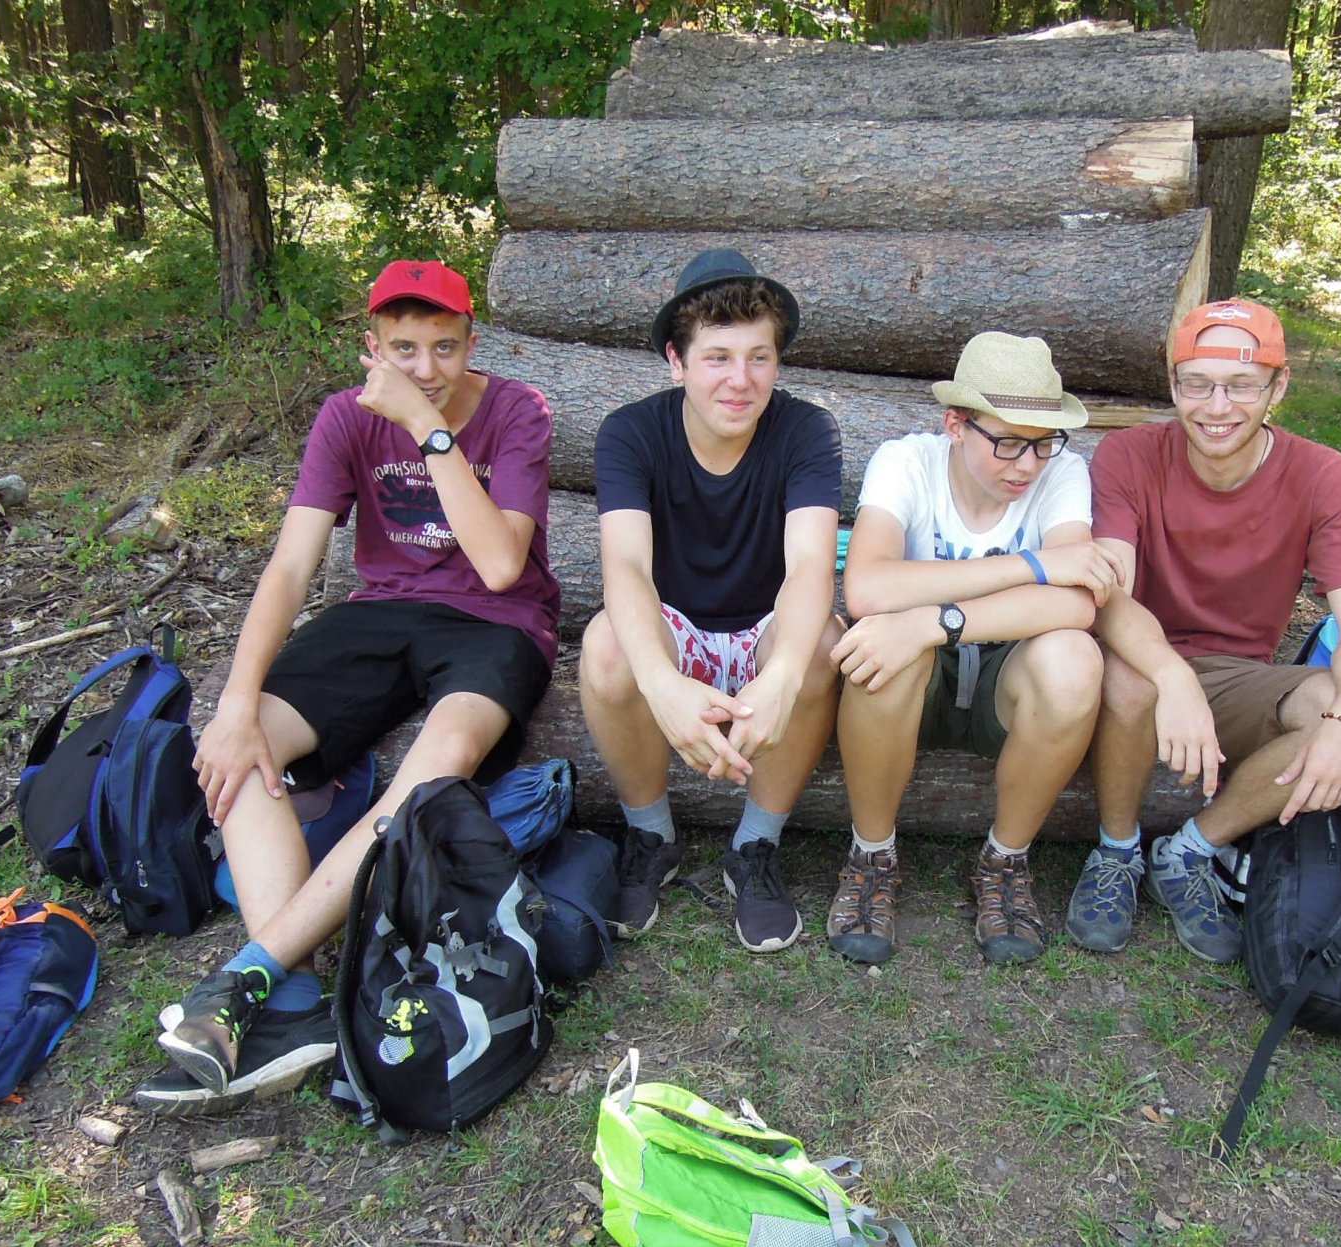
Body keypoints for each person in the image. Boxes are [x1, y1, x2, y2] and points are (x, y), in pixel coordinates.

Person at [135, 260, 560, 1114]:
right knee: (245, 747)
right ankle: (294, 1002)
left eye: (445, 348)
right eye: (404, 350)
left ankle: (251, 973)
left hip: (499, 623)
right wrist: (236, 707)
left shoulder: (518, 410)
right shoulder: (343, 417)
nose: (426, 369)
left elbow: (499, 562)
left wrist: (427, 429)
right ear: (373, 347)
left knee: (437, 762)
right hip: (381, 614)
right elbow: (291, 567)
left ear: (472, 342)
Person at [1065, 297, 1341, 965]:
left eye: (1241, 385)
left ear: (1278, 387)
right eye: (1198, 384)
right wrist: (1172, 676)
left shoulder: (1321, 474)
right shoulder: (1130, 455)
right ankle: (1117, 851)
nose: (1217, 407)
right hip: (1140, 657)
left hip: (1240, 673)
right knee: (1130, 680)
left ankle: (1190, 851)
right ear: (1173, 384)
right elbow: (1108, 592)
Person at [580, 248, 843, 953]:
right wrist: (660, 683)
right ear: (677, 361)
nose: (740, 380)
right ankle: (650, 835)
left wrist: (782, 676)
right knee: (606, 645)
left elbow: (810, 565)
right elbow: (626, 567)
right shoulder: (631, 432)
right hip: (677, 630)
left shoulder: (806, 430)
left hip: (764, 628)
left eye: (759, 358)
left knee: (821, 644)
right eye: (718, 358)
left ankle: (755, 846)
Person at [826, 333, 1114, 967]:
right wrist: (1033, 565)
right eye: (1007, 442)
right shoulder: (907, 462)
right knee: (883, 647)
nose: (1027, 465)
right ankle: (871, 854)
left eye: (1042, 443)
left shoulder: (1064, 472)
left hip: (1008, 683)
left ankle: (1005, 861)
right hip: (916, 690)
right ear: (956, 424)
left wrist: (938, 620)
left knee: (1074, 659)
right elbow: (868, 587)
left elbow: (1077, 604)